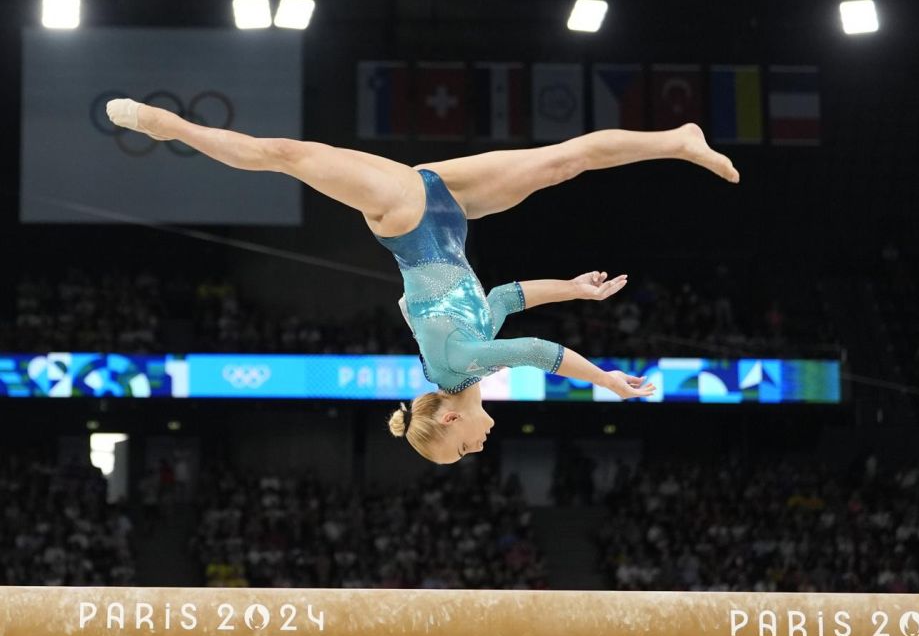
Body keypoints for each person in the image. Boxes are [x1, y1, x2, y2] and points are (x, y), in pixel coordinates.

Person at [106, 98, 739, 464]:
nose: (478, 450)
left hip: (404, 211)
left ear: (448, 424)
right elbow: (504, 299)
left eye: (461, 451)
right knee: (561, 162)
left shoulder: (454, 362)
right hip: (452, 211)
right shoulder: (467, 364)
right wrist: (576, 289)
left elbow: (539, 353)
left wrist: (605, 382)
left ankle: (171, 127)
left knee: (285, 156)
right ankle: (678, 140)